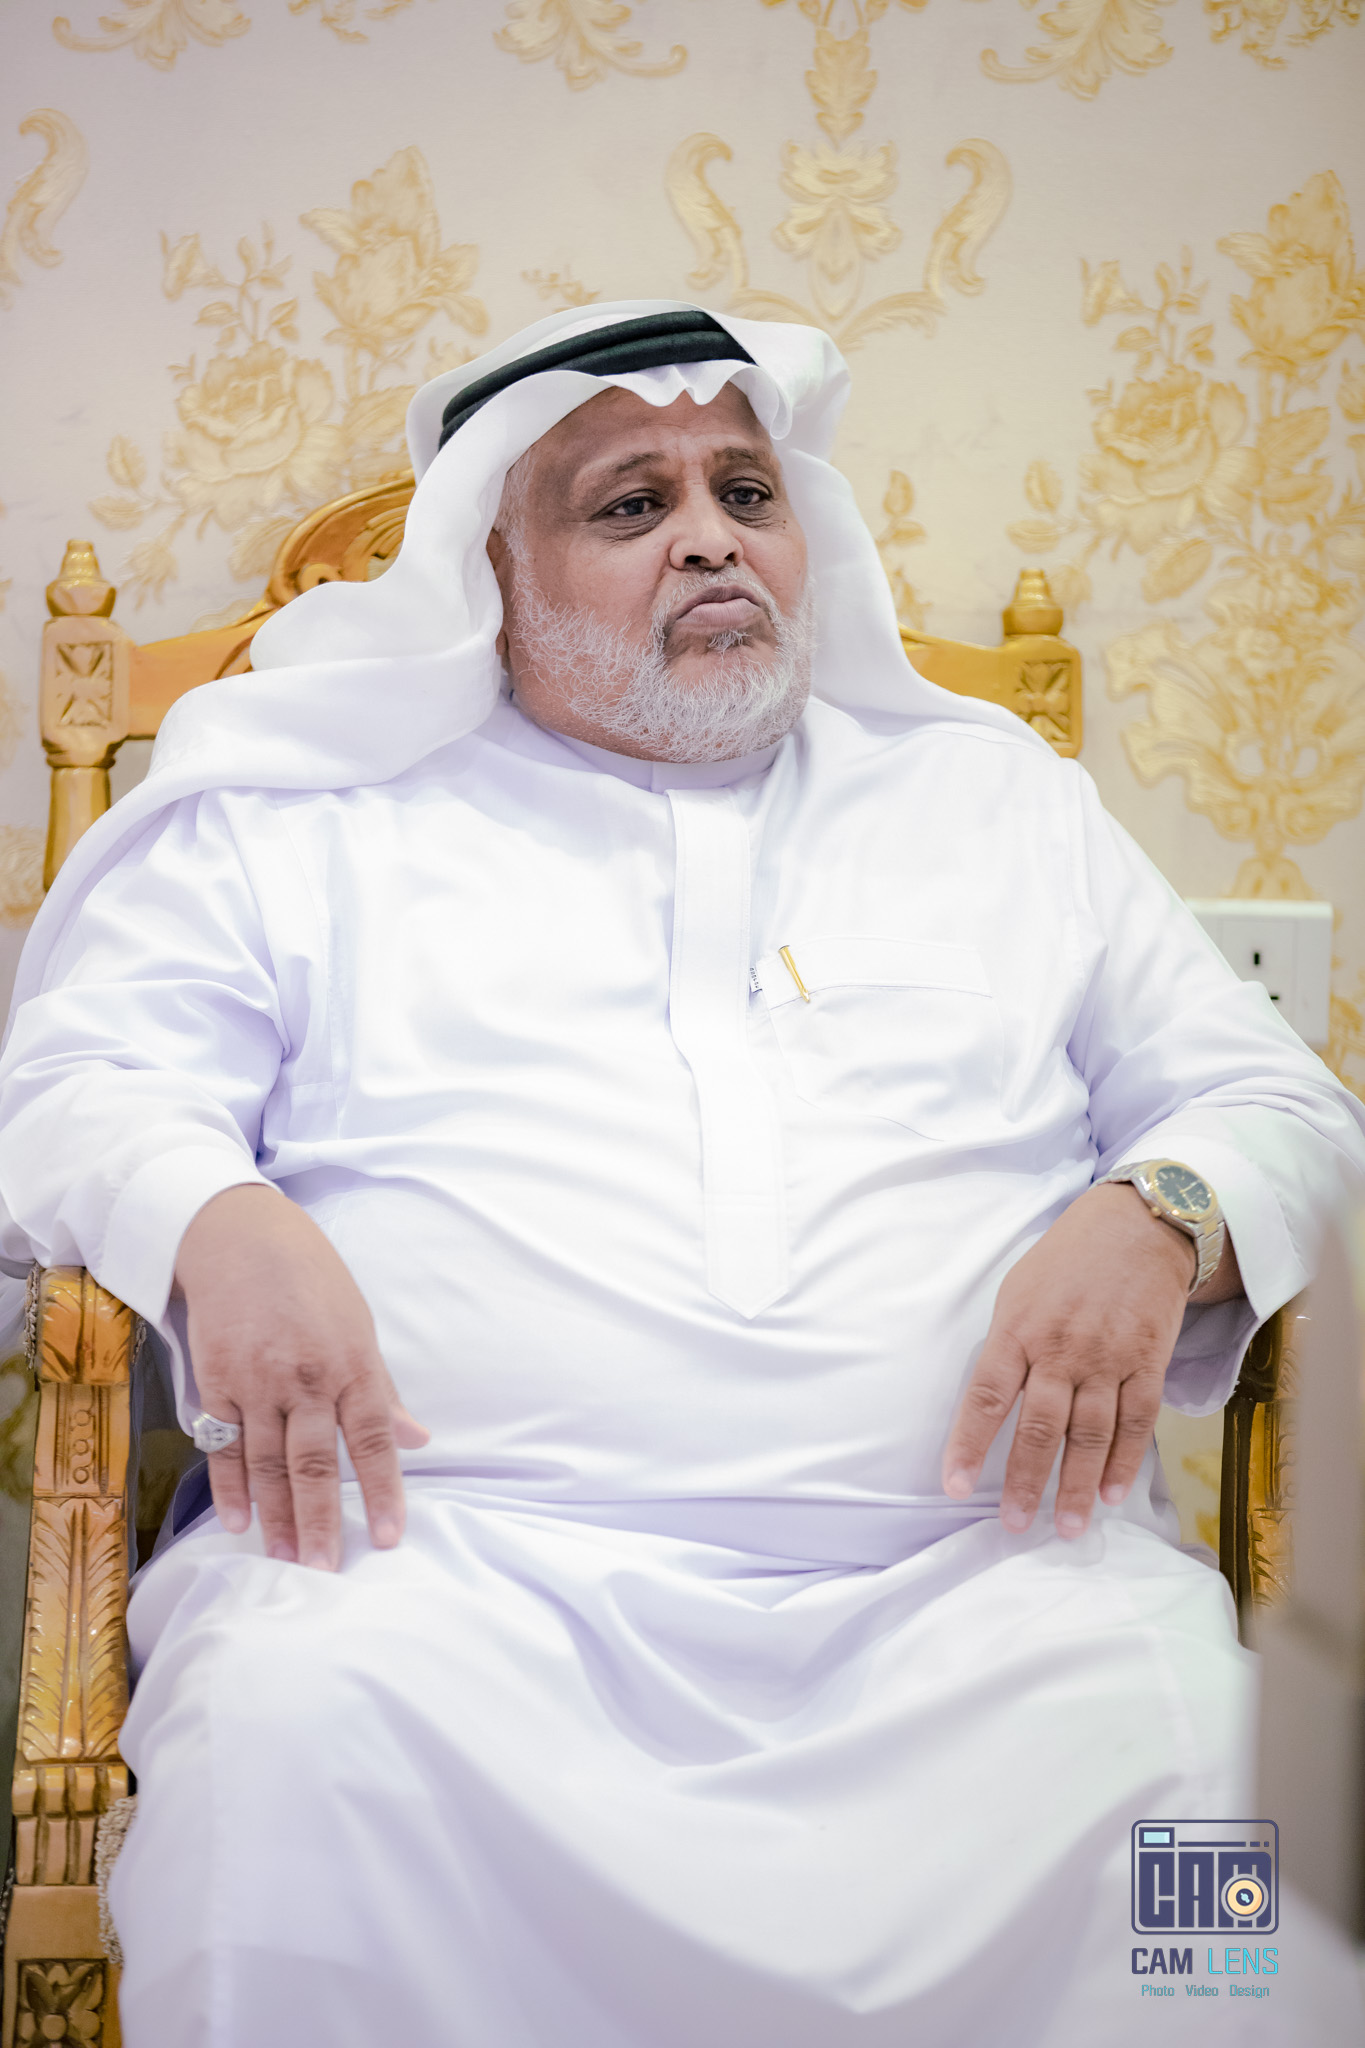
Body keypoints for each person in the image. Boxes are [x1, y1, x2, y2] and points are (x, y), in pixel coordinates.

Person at [1, 303, 1362, 2046]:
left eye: (745, 490)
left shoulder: (999, 809)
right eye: (631, 504)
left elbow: (1281, 1105)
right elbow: (83, 1079)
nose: (711, 534)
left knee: (1227, 1831)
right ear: (491, 575)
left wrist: (1158, 1214)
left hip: (1000, 1599)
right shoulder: (299, 823)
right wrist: (219, 1217)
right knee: (289, 1751)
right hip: (437, 1592)